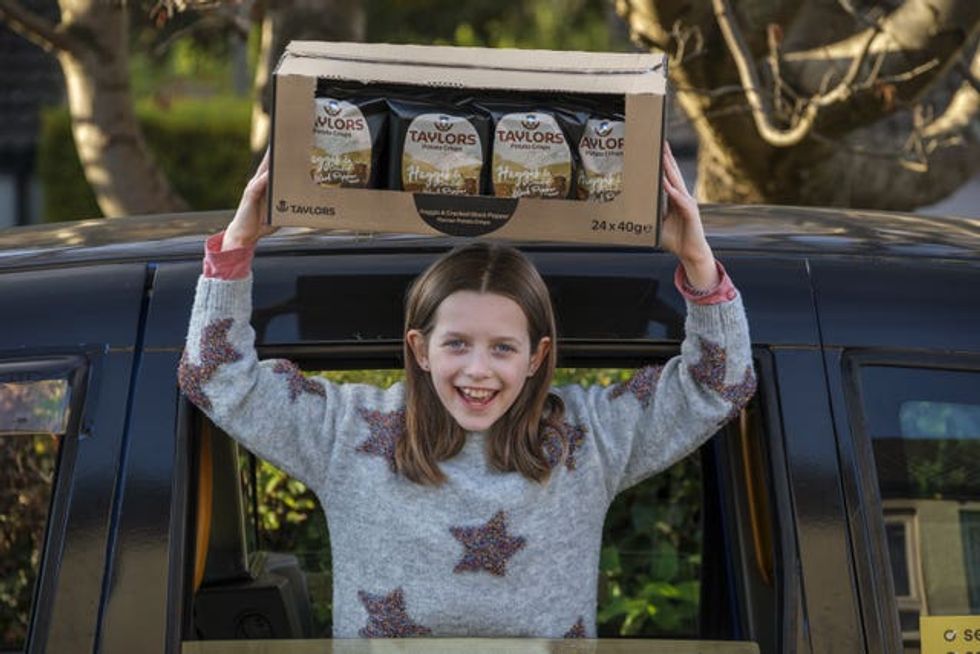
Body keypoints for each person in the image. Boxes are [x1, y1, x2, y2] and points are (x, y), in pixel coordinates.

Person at [178, 142, 755, 639]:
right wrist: (239, 242)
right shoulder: (345, 432)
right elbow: (216, 377)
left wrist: (696, 260)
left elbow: (717, 387)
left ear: (537, 358)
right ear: (420, 348)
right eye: (456, 344)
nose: (478, 370)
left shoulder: (589, 437)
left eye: (503, 348)